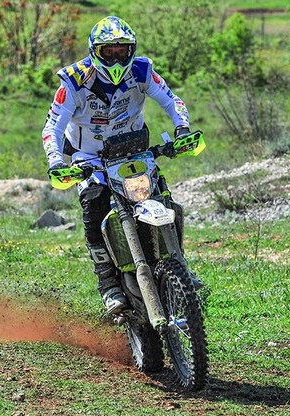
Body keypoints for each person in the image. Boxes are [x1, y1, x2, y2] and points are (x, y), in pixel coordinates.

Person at [41, 16, 193, 315]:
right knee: (94, 205)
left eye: (121, 50)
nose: (115, 56)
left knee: (164, 199)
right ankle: (108, 285)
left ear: (130, 50)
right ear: (95, 51)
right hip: (90, 159)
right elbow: (52, 127)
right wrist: (56, 160)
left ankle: (180, 265)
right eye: (108, 51)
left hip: (133, 152)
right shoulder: (73, 80)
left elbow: (171, 100)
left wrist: (183, 129)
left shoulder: (142, 69)